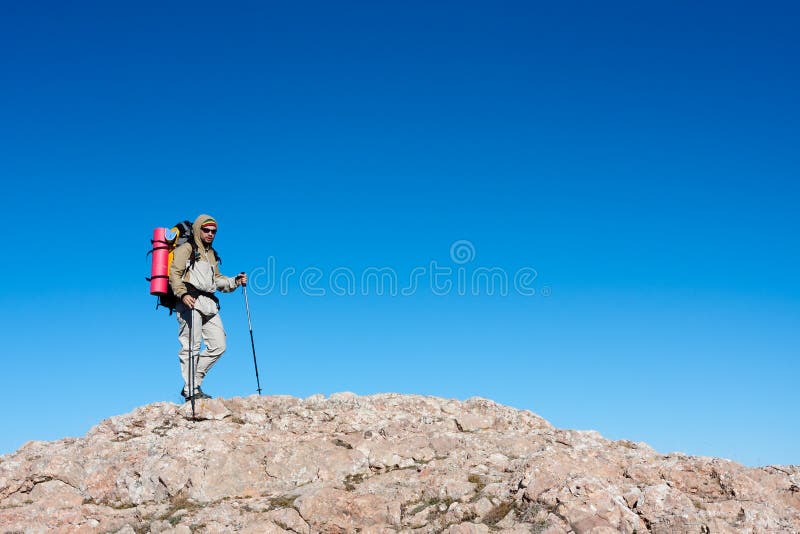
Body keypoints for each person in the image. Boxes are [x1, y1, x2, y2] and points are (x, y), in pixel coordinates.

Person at [169, 214, 247, 402]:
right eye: (206, 230)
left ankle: (192, 383)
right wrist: (182, 294)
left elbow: (217, 280)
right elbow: (174, 272)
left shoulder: (211, 254)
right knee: (191, 347)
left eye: (214, 231)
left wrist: (234, 281)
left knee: (219, 345)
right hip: (190, 301)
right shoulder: (187, 249)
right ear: (198, 229)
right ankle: (191, 390)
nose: (210, 233)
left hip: (209, 304)